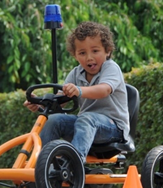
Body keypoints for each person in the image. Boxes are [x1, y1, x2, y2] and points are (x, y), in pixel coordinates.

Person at [24, 21, 129, 163]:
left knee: (87, 118)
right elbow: (60, 101)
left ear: (108, 51)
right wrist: (41, 105)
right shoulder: (75, 74)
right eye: (82, 53)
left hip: (113, 129)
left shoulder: (111, 68)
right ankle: (44, 164)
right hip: (85, 126)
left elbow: (104, 90)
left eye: (95, 51)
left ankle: (74, 164)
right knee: (54, 120)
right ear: (75, 55)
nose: (89, 57)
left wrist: (79, 90)